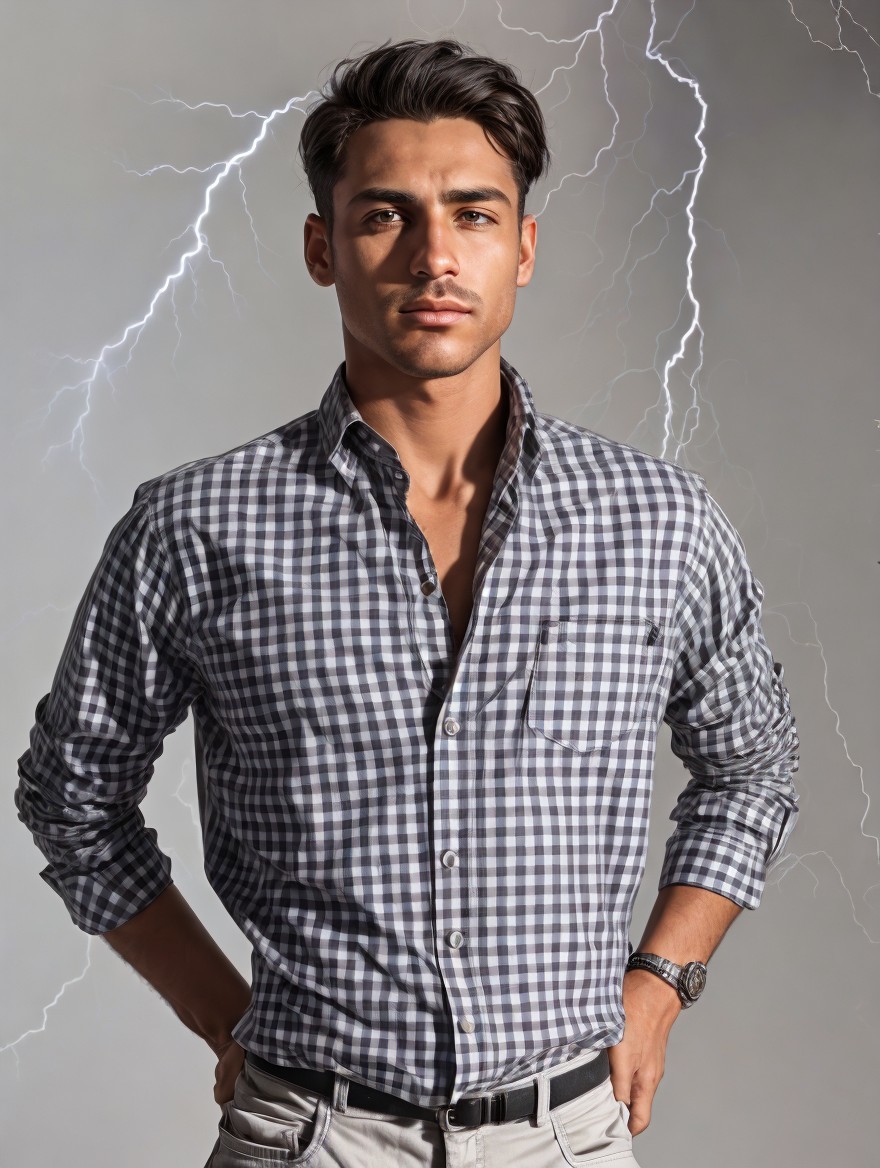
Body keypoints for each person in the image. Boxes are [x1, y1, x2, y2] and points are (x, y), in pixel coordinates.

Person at [15, 38, 799, 1168]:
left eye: (473, 214)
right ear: (320, 247)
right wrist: (221, 1016)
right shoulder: (195, 528)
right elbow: (72, 797)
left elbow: (752, 765)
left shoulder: (657, 521)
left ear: (523, 247)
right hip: (309, 1133)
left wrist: (661, 980)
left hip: (565, 1136)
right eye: (385, 215)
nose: (435, 254)